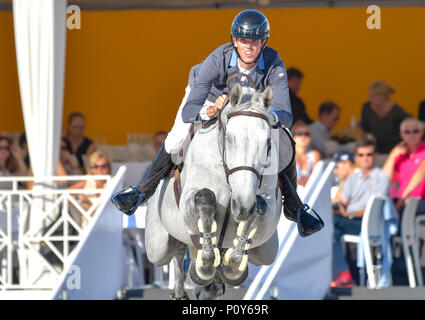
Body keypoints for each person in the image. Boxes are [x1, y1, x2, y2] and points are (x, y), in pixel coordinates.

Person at [113, 10, 310, 228]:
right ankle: (142, 191)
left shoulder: (273, 62)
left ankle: (295, 206)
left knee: (286, 137)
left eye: (254, 42)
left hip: (250, 110)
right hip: (206, 99)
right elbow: (190, 111)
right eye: (243, 40)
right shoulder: (218, 59)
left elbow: (285, 114)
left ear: (264, 42)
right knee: (177, 137)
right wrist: (208, 112)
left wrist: (266, 114)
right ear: (234, 40)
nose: (249, 47)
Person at [331, 139, 390, 288]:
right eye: (361, 155)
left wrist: (348, 214)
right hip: (351, 221)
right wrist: (338, 207)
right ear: (356, 158)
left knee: (329, 225)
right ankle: (345, 274)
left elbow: (374, 209)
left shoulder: (381, 177)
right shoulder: (352, 178)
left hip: (369, 223)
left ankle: (344, 274)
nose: (365, 158)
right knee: (329, 226)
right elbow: (343, 202)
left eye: (369, 154)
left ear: (375, 156)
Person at [382, 117, 425, 218]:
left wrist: (402, 198)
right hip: (404, 201)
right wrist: (392, 156)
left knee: (406, 205)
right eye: (407, 132)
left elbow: (420, 174)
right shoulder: (400, 155)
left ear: (422, 133)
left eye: (415, 131)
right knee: (380, 206)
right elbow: (383, 180)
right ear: (401, 134)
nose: (411, 135)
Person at [360, 80, 410, 154]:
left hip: (394, 149)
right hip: (374, 150)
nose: (375, 99)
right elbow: (364, 128)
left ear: (385, 96)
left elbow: (410, 125)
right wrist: (368, 136)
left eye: (378, 95)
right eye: (372, 96)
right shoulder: (366, 108)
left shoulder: (396, 110)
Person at [69, 151, 112, 227]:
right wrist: (79, 198)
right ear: (90, 168)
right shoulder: (85, 182)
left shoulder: (114, 182)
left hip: (110, 224)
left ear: (109, 167)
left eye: (104, 166)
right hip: (89, 226)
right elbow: (62, 195)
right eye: (95, 166)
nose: (99, 169)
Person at [290, 120, 320, 186]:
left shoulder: (314, 155)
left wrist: (300, 182)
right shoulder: (288, 157)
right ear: (292, 137)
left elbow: (317, 179)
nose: (303, 137)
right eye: (299, 134)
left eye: (306, 134)